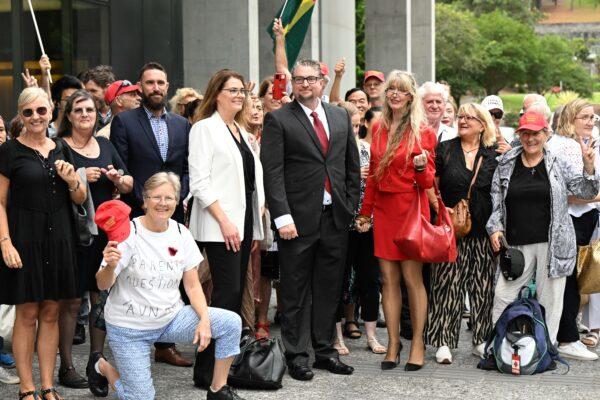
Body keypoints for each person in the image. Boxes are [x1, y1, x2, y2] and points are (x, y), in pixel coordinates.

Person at [92, 173, 245, 400]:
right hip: (129, 328)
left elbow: (192, 287)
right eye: (156, 197)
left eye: (169, 198)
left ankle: (218, 390)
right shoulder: (128, 233)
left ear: (177, 201)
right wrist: (109, 265)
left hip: (170, 318)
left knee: (230, 323)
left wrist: (204, 320)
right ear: (144, 201)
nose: (162, 203)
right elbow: (103, 283)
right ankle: (103, 366)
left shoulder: (181, 233)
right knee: (140, 397)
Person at [261, 59, 360, 380]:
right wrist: (282, 217)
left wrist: (350, 207)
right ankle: (297, 354)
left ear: (322, 81)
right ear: (292, 83)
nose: (305, 84)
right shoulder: (278, 119)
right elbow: (272, 174)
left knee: (329, 288)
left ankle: (324, 351)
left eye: (311, 79)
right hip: (296, 221)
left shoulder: (340, 115)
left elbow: (351, 168)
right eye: (299, 79)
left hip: (335, 219)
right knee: (294, 291)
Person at [0, 87, 86, 400]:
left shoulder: (62, 147)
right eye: (28, 112)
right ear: (20, 116)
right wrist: (5, 242)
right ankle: (26, 388)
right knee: (28, 313)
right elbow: (0, 201)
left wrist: (72, 180)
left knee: (51, 312)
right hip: (24, 238)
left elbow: (79, 198)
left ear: (50, 111)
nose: (35, 117)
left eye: (40, 111)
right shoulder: (9, 152)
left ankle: (47, 386)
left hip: (59, 238)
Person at [488, 111, 599, 346]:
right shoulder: (507, 163)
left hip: (553, 245)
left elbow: (585, 192)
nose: (530, 139)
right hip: (516, 244)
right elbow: (496, 199)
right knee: (503, 296)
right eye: (526, 133)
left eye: (536, 133)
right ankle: (499, 347)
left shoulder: (558, 162)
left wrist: (589, 168)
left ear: (546, 134)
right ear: (519, 135)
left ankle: (545, 350)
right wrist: (495, 228)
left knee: (550, 301)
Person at [110, 61, 192, 367]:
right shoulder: (125, 122)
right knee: (135, 277)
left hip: (172, 214)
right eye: (149, 83)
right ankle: (130, 342)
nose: (155, 88)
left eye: (160, 82)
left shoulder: (182, 125)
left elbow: (185, 167)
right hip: (137, 212)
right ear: (140, 88)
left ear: (167, 86)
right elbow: (123, 166)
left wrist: (174, 199)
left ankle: (165, 346)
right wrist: (146, 202)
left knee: (169, 276)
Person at [356, 70, 436, 372]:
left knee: (412, 279)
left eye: (401, 90)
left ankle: (417, 342)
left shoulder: (423, 131)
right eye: (391, 89)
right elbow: (374, 175)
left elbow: (428, 181)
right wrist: (365, 211)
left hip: (411, 208)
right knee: (387, 279)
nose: (394, 94)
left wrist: (420, 166)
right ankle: (392, 342)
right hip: (386, 209)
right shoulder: (377, 127)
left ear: (411, 95)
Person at [57, 89, 133, 394]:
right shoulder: (61, 146)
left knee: (100, 299)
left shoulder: (105, 143)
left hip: (106, 233)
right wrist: (78, 175)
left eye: (89, 109)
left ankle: (95, 361)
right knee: (73, 301)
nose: (85, 115)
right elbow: (53, 186)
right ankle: (66, 365)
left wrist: (117, 179)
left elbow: (128, 184)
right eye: (78, 110)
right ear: (69, 116)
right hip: (74, 233)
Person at [426, 103, 498, 364]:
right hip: (450, 231)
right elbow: (428, 185)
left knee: (482, 287)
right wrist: (439, 208)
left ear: (482, 124)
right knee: (447, 285)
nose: (463, 120)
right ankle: (444, 341)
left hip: (483, 230)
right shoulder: (444, 149)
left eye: (470, 117)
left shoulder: (493, 154)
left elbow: (500, 191)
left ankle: (480, 340)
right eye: (461, 116)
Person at [188, 69, 264, 317]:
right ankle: (209, 355)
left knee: (236, 293)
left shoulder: (240, 131)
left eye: (242, 91)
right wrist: (225, 221)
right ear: (216, 94)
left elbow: (249, 182)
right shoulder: (204, 128)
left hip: (243, 222)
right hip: (219, 224)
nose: (240, 95)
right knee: (225, 293)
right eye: (233, 90)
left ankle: (226, 355)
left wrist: (252, 225)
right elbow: (200, 183)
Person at [547, 99, 600, 361]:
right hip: (570, 220)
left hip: (581, 219)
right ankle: (567, 338)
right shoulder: (566, 146)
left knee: (571, 281)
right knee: (569, 281)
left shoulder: (579, 143)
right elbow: (571, 193)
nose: (591, 122)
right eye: (585, 117)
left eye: (593, 118)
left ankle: (565, 335)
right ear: (570, 118)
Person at [335, 102, 386, 356]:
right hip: (341, 223)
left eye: (357, 125)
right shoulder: (332, 150)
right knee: (339, 279)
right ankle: (336, 337)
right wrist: (353, 175)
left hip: (367, 223)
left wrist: (367, 216)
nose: (354, 130)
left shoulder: (368, 148)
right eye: (349, 125)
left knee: (370, 279)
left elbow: (377, 185)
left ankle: (372, 335)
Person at [81, 65, 117, 131]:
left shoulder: (122, 112)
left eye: (93, 91)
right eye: (86, 91)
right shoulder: (83, 115)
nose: (88, 95)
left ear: (108, 88)